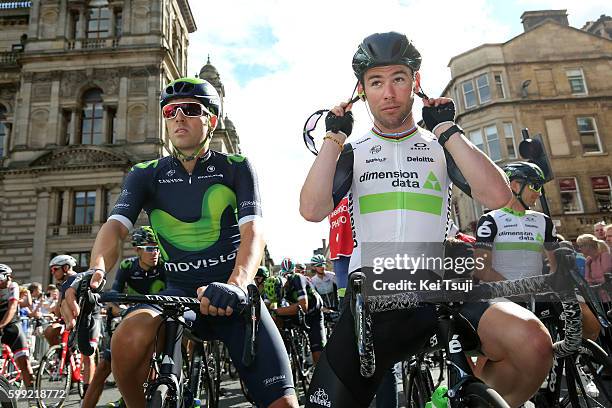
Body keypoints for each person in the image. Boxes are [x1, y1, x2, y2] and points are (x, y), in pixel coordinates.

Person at [300, 31, 550, 408]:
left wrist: (448, 130)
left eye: (399, 79)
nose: (388, 93)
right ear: (361, 90)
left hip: (440, 290)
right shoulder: (354, 152)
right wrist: (334, 138)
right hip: (373, 298)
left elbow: (498, 196)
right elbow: (311, 209)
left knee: (533, 344)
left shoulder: (442, 147)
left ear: (415, 83)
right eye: (376, 82)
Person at [61, 77, 297, 408]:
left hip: (231, 294)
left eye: (190, 109)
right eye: (171, 111)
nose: (178, 117)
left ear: (211, 120)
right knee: (127, 338)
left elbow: (253, 230)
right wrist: (95, 270)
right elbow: (115, 226)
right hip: (177, 293)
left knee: (284, 405)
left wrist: (238, 283)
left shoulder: (236, 168)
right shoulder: (146, 173)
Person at [474, 162, 600, 339]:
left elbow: (555, 266)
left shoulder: (543, 221)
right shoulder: (490, 220)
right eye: (535, 186)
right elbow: (481, 269)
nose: (538, 193)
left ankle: (578, 359)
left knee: (589, 320)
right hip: (503, 298)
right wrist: (519, 290)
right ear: (515, 185)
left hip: (537, 295)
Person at [82, 226, 166, 408]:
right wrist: (117, 308)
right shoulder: (128, 266)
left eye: (158, 247)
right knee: (103, 367)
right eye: (150, 248)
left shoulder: (164, 265)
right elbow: (114, 293)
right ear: (137, 249)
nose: (156, 253)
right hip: (133, 318)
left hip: (160, 320)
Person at [47, 254, 99, 396]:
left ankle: (88, 392)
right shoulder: (61, 285)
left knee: (88, 355)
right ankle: (65, 363)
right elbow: (59, 310)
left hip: (90, 316)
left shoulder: (80, 278)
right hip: (74, 320)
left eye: (55, 269)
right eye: (51, 270)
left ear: (65, 268)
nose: (53, 273)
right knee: (50, 331)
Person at [273, 259, 325, 364]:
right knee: (276, 318)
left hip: (313, 314)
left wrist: (276, 311)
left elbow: (303, 306)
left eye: (288, 276)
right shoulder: (278, 285)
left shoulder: (297, 278)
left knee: (317, 353)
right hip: (299, 313)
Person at [0, 264, 35, 402]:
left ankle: (33, 398)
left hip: (12, 326)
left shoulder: (12, 286)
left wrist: (1, 325)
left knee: (24, 364)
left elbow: (13, 307)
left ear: (8, 277)